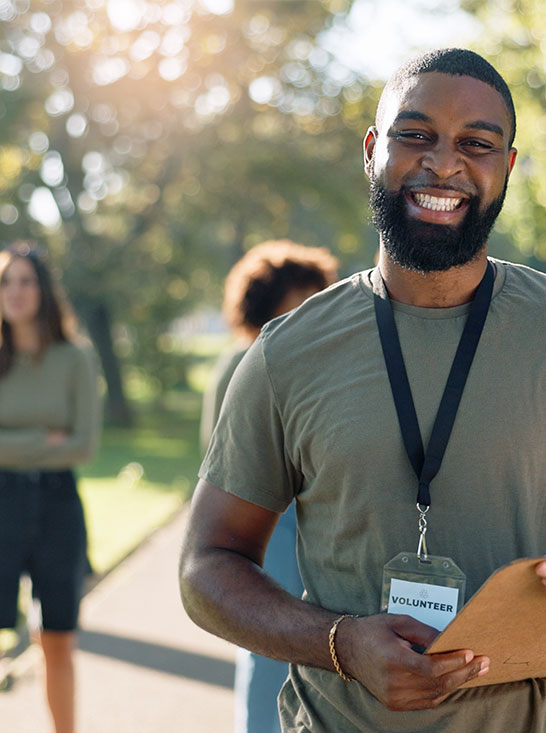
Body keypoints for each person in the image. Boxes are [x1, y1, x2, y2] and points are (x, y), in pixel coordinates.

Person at [179, 48, 546, 732]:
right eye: (415, 134)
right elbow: (206, 565)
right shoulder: (286, 353)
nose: (444, 163)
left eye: (476, 143)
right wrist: (341, 643)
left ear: (506, 167)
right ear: (373, 149)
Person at [0, 242, 101, 733]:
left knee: (57, 642)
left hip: (58, 505)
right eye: (5, 282)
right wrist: (44, 439)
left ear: (43, 289)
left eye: (26, 280)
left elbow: (83, 445)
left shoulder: (75, 358)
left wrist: (7, 439)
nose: (16, 291)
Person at [200, 240, 339, 733]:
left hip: (326, 526)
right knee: (268, 650)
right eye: (294, 303)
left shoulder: (330, 366)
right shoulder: (240, 367)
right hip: (270, 529)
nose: (308, 315)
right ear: (262, 307)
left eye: (315, 300)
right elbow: (220, 463)